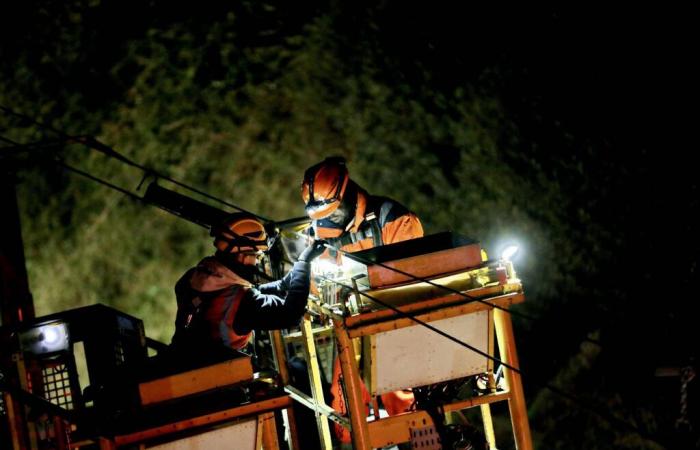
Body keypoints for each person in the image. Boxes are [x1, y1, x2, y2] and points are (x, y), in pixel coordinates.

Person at [301, 156, 424, 444]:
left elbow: (413, 276)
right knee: (343, 407)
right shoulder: (318, 236)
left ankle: (417, 441)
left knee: (404, 397)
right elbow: (313, 286)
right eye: (319, 219)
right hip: (350, 330)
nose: (325, 225)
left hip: (397, 327)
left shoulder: (393, 220)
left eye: (331, 216)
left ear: (347, 197)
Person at [170, 212, 326, 360]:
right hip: (221, 377)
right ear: (241, 255)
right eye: (256, 256)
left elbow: (230, 294)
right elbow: (290, 315)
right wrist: (304, 262)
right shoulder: (244, 303)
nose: (257, 262)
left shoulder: (192, 277)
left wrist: (282, 284)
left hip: (183, 359)